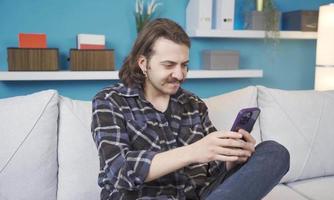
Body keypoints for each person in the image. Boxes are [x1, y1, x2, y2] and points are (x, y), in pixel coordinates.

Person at [92, 18, 290, 200]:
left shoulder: (193, 104)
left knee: (274, 152)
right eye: (169, 65)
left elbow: (213, 170)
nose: (179, 74)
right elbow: (118, 170)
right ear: (144, 64)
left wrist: (232, 159)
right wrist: (194, 151)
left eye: (184, 65)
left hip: (200, 195)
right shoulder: (110, 101)